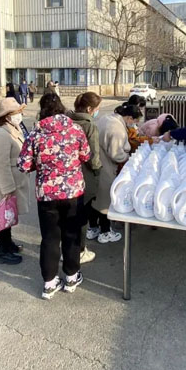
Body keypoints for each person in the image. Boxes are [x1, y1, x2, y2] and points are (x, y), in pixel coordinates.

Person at [18, 93, 91, 300]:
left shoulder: (36, 134)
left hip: (47, 195)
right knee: (71, 235)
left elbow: (23, 165)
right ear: (61, 108)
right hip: (73, 192)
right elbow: (86, 155)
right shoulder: (75, 129)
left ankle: (49, 283)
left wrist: (40, 165)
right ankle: (71, 277)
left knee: (50, 238)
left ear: (42, 110)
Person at [91, 103, 142, 243]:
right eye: (135, 121)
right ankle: (105, 232)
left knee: (95, 199)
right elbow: (116, 154)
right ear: (129, 118)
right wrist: (128, 157)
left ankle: (93, 228)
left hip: (96, 163)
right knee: (105, 200)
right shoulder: (116, 128)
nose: (135, 124)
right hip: (106, 166)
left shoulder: (107, 118)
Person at [0, 98, 29, 265]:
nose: (19, 115)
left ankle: (8, 244)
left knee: (9, 215)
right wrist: (7, 188)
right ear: (7, 116)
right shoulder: (1, 135)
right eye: (16, 113)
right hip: (6, 184)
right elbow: (1, 164)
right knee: (3, 216)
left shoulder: (13, 129)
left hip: (14, 181)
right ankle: (3, 250)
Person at [68, 92, 103, 264]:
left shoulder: (67, 121)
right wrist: (98, 171)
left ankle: (67, 248)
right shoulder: (89, 126)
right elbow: (93, 156)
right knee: (81, 216)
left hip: (67, 174)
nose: (97, 112)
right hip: (84, 174)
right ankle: (80, 250)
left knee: (68, 216)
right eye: (97, 109)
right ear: (89, 109)